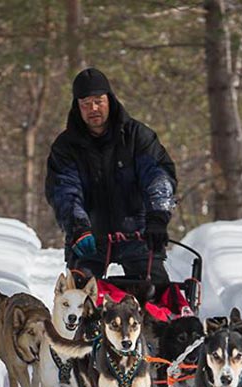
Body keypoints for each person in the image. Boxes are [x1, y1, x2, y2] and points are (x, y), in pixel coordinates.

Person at [45, 68, 177, 285]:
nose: (93, 109)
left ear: (110, 100)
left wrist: (158, 217)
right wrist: (78, 227)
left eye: (98, 101)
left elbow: (157, 176)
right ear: (77, 107)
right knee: (79, 300)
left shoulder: (137, 136)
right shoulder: (65, 147)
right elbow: (65, 191)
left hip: (138, 235)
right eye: (85, 104)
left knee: (158, 295)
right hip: (88, 239)